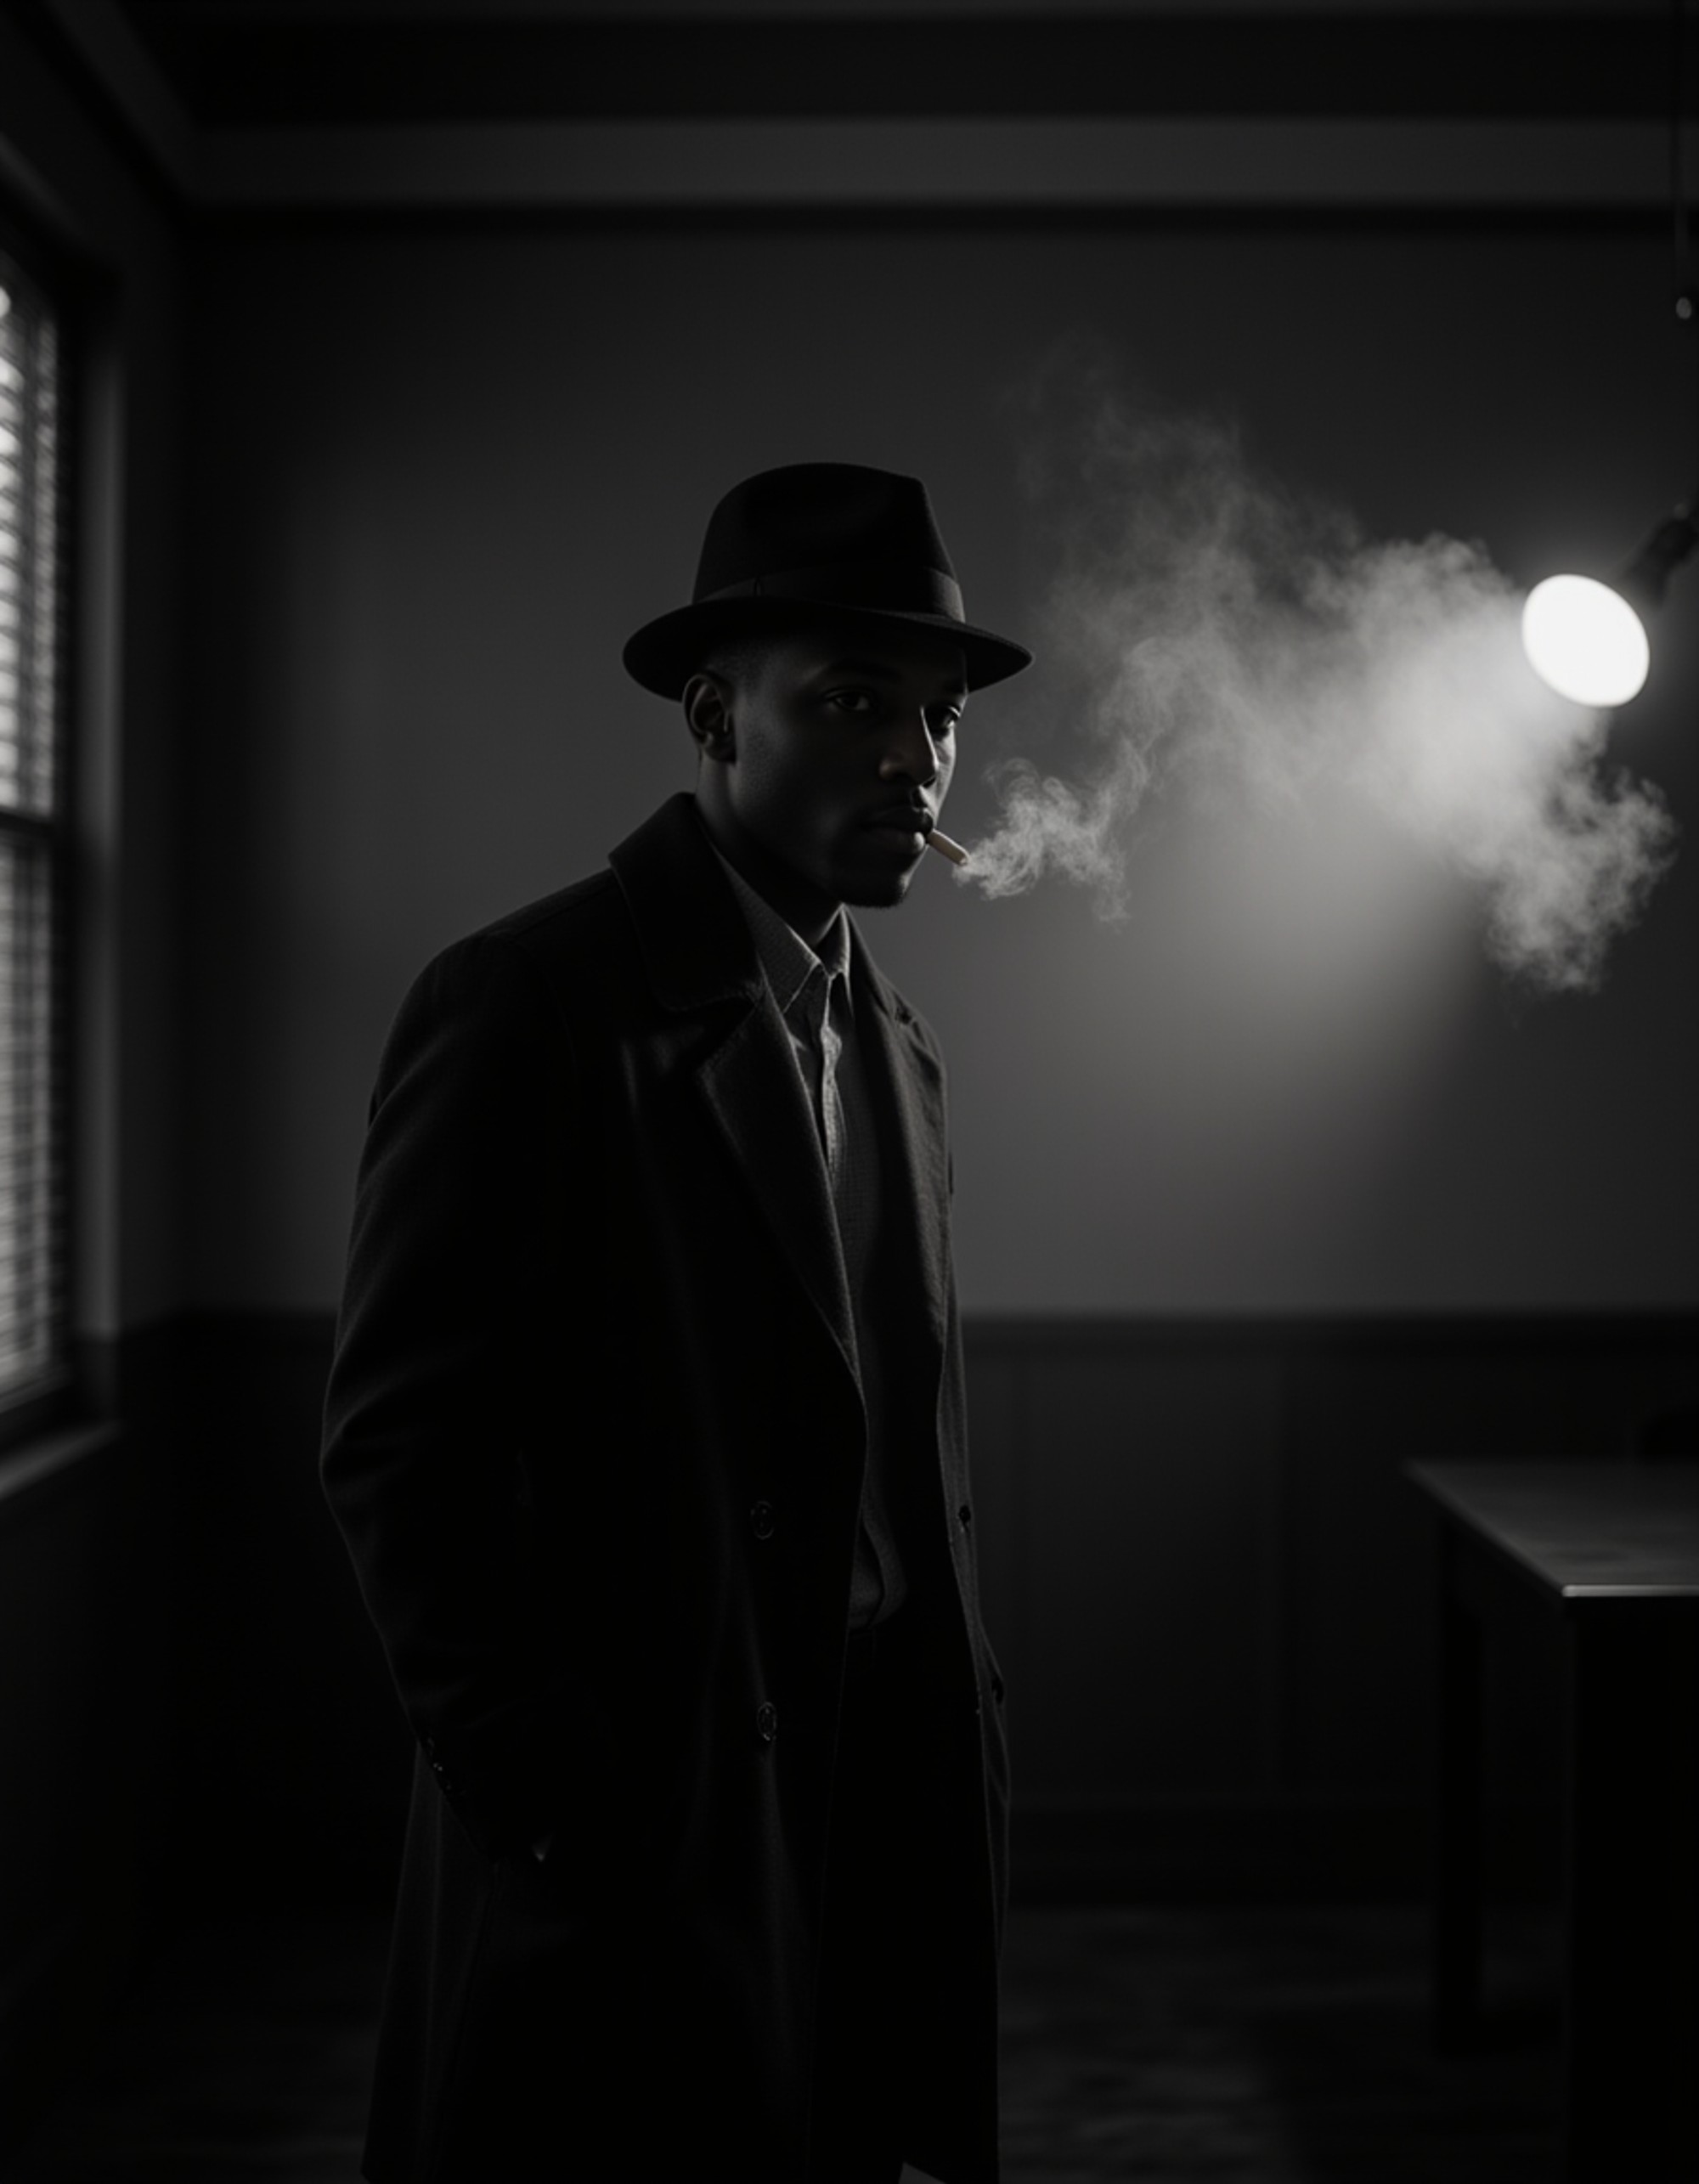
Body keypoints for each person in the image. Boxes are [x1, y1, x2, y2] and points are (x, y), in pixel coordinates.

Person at [320, 462, 1030, 2183]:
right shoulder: (525, 1000)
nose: (916, 760)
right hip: (632, 1814)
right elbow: (399, 1445)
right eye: (856, 699)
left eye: (938, 715)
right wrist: (558, 1803)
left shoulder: (901, 1046)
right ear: (715, 715)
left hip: (859, 1797)